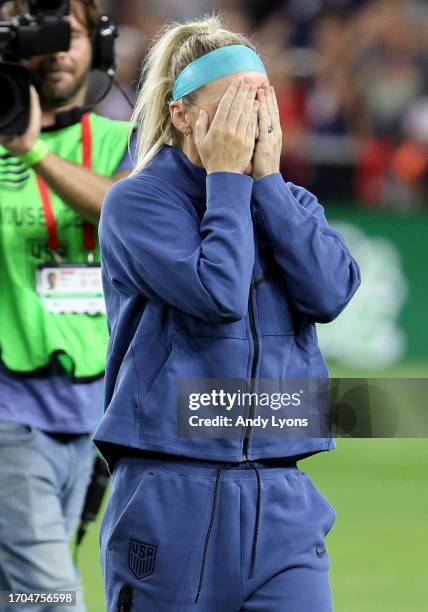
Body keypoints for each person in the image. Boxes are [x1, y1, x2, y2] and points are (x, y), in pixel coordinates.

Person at [95, 14, 361, 612]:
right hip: (172, 487)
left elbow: (331, 292)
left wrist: (265, 183)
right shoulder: (136, 203)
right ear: (182, 112)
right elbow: (217, 295)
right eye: (235, 105)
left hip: (282, 489)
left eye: (262, 101)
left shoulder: (289, 200)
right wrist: (225, 181)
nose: (254, 121)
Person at [0, 1, 132, 610]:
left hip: (91, 416)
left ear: (100, 45)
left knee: (19, 597)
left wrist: (33, 152)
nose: (54, 50)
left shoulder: (122, 142)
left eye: (69, 35)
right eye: (37, 35)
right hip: (10, 411)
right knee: (50, 598)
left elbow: (127, 214)